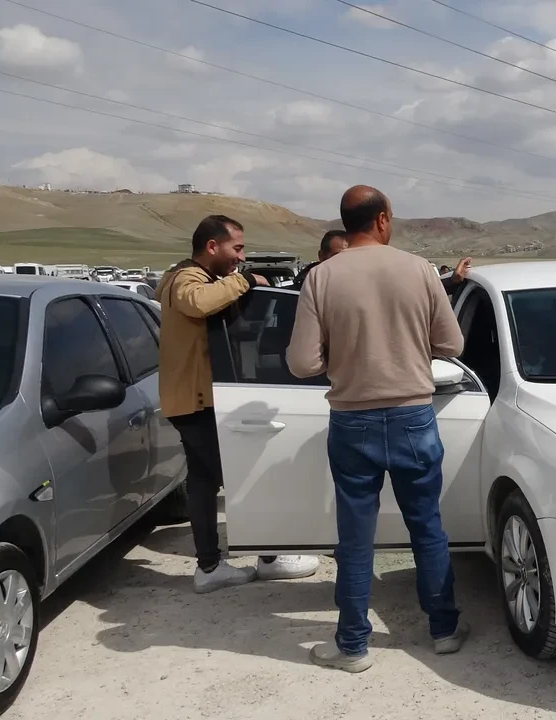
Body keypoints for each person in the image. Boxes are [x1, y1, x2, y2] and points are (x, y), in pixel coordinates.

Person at [288, 186, 468, 672]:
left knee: (354, 535)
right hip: (413, 415)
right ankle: (444, 629)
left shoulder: (321, 277)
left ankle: (352, 646)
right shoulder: (419, 270)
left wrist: (341, 355)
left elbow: (302, 363)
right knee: (426, 525)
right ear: (383, 220)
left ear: (346, 223)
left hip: (352, 419)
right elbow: (452, 344)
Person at [156, 215, 320, 593]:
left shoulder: (191, 276)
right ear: (212, 246)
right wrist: (245, 281)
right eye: (237, 248)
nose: (240, 258)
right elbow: (198, 303)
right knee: (245, 476)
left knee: (202, 482)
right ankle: (270, 557)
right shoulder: (186, 278)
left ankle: (209, 566)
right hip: (196, 401)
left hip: (191, 399)